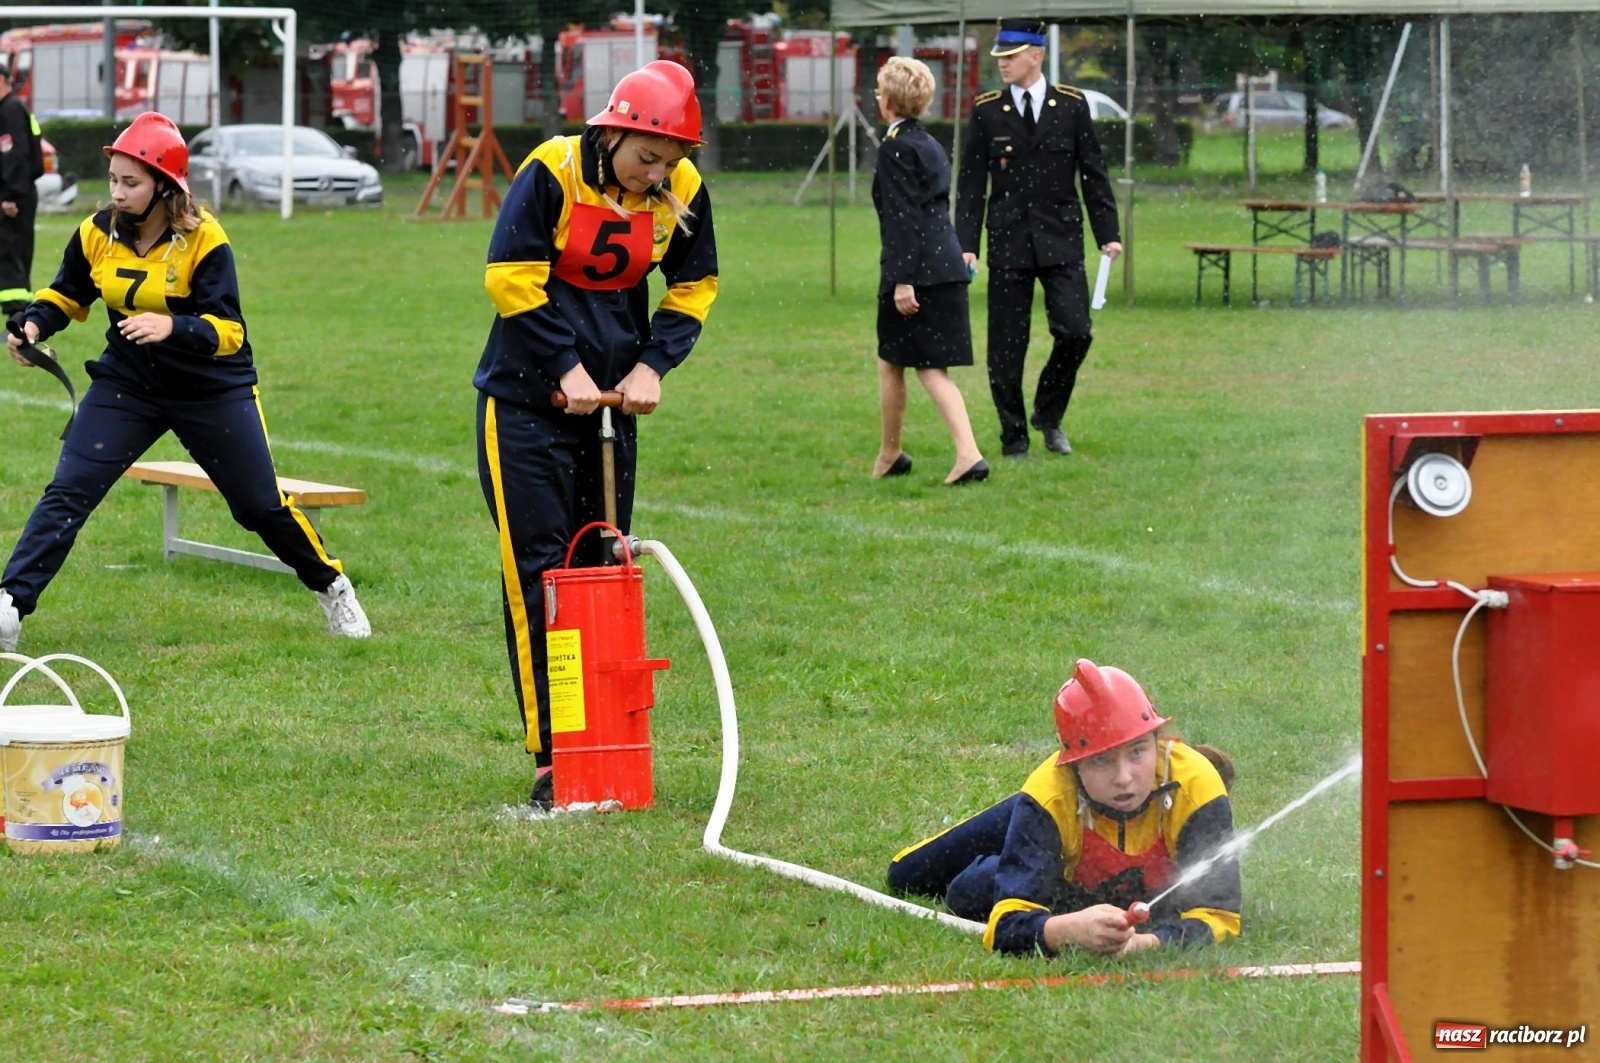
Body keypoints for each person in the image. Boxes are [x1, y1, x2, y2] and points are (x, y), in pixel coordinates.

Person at [0, 112, 371, 654]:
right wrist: (32, 323)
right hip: (128, 384)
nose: (118, 193)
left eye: (131, 183)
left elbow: (229, 331)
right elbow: (68, 294)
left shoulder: (205, 239)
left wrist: (171, 325)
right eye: (114, 181)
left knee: (258, 506)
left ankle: (332, 585)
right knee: (69, 491)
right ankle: (10, 604)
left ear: (165, 187)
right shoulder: (96, 232)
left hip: (212, 389)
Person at [475, 60, 718, 809]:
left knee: (603, 567)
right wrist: (564, 365)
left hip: (611, 408)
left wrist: (653, 366)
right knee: (541, 574)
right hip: (522, 401)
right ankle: (554, 753)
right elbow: (510, 274)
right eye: (647, 158)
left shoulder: (682, 192)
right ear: (613, 130)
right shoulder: (553, 169)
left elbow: (694, 284)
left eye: (670, 163)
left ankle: (604, 738)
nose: (657, 176)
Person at [887, 659, 1240, 957]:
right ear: (1073, 765)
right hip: (1060, 814)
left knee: (976, 890)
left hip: (1074, 879)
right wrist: (1068, 930)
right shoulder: (1049, 795)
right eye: (1101, 761)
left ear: (1158, 742)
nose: (1123, 778)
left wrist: (1145, 943)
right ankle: (1019, 826)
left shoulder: (1197, 786)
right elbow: (1008, 925)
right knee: (909, 877)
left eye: (1137, 752)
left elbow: (1220, 917)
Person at [955, 18, 1122, 459]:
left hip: (1061, 239)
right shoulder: (987, 110)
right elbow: (971, 184)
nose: (1002, 65)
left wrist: (1109, 233)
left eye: (1010, 57)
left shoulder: (1071, 105)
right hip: (1009, 240)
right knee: (1006, 346)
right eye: (999, 58)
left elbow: (1093, 173)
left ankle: (1048, 415)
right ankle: (1013, 437)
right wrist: (965, 243)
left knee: (1076, 331)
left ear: (1036, 55)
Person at [870, 57, 987, 487]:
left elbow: (903, 218)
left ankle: (965, 454)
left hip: (918, 271)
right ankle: (891, 454)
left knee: (914, 366)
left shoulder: (896, 147)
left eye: (881, 92)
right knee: (907, 364)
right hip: (944, 264)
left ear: (889, 101)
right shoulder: (929, 143)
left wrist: (902, 279)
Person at [0, 61, 44, 316]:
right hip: (20, 192)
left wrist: (10, 197)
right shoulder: (13, 108)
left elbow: (15, 156)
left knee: (10, 253)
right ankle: (21, 314)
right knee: (16, 251)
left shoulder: (8, 111)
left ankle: (17, 314)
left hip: (15, 196)